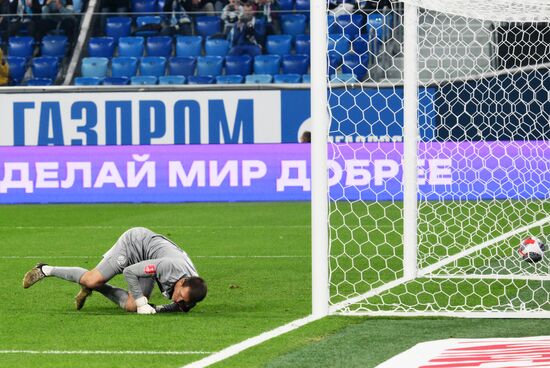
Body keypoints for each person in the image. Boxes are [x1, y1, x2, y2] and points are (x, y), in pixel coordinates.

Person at [22, 227, 207, 314]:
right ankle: (45, 269)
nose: (179, 300)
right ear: (182, 282)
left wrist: (156, 309)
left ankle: (94, 288)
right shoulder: (170, 267)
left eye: (184, 300)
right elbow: (131, 272)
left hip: (151, 263)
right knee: (91, 279)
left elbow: (180, 306)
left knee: (131, 306)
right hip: (135, 245)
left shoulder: (193, 288)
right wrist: (144, 304)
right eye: (180, 296)